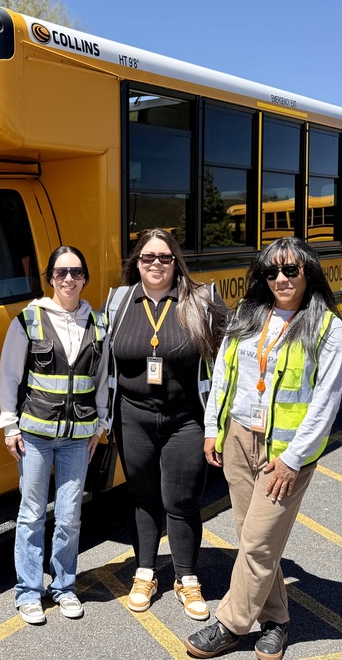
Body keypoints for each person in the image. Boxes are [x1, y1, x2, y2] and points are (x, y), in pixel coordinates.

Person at [184, 237, 342, 660]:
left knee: (257, 542)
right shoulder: (247, 314)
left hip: (285, 452)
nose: (280, 279)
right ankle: (277, 621)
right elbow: (223, 372)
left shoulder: (327, 327)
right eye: (271, 272)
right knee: (256, 540)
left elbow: (325, 402)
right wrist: (211, 428)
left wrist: (293, 459)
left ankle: (230, 625)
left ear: (308, 272)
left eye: (290, 270)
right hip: (239, 439)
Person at [104, 229, 226, 621]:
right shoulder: (119, 301)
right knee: (142, 498)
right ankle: (145, 573)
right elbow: (100, 360)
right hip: (132, 416)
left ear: (177, 262)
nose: (156, 264)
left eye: (164, 258)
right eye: (147, 258)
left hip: (186, 418)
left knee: (183, 502)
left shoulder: (201, 301)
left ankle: (187, 578)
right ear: (136, 263)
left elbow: (230, 359)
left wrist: (218, 425)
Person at [0, 245, 110, 625]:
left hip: (78, 436)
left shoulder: (98, 322)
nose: (68, 279)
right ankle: (28, 591)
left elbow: (101, 379)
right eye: (60, 272)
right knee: (30, 515)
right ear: (50, 278)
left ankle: (64, 587)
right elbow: (10, 376)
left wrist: (101, 423)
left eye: (76, 272)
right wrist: (9, 426)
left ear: (85, 278)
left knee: (69, 516)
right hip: (36, 436)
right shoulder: (29, 319)